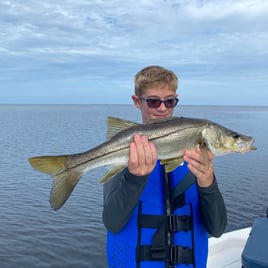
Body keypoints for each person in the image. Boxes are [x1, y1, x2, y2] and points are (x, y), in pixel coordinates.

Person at [102, 65, 227, 268]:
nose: (162, 108)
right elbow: (112, 222)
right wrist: (134, 178)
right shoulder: (125, 156)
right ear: (137, 101)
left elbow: (218, 228)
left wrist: (208, 183)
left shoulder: (194, 157)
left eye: (169, 101)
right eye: (153, 101)